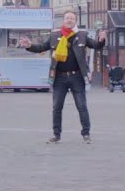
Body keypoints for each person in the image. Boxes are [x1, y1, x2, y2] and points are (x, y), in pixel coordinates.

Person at [19, 11, 106, 143]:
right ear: (63, 21)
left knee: (82, 106)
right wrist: (29, 46)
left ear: (75, 21)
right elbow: (42, 47)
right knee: (57, 107)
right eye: (67, 18)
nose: (69, 20)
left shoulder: (82, 35)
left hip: (77, 76)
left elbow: (96, 45)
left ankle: (86, 134)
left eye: (72, 18)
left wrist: (101, 40)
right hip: (59, 77)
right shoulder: (54, 35)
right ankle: (56, 134)